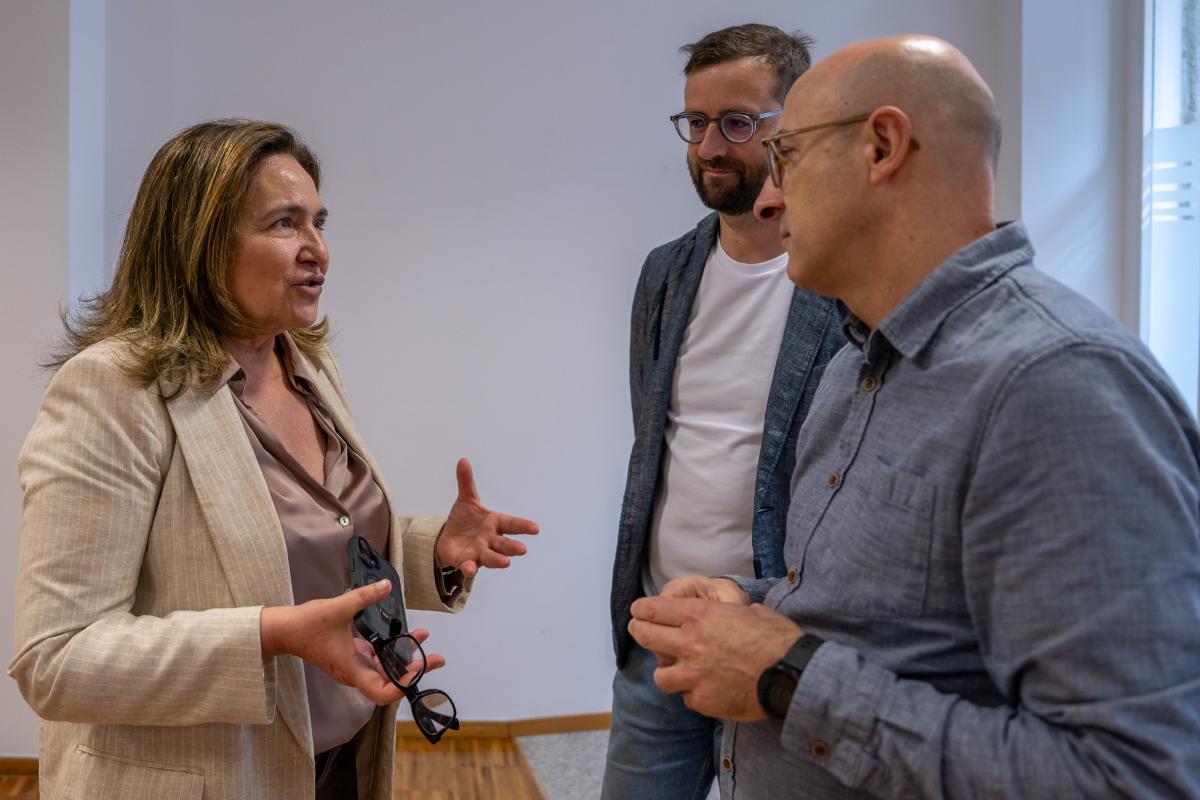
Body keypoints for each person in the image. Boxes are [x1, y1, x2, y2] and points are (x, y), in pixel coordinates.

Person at [629, 35, 1200, 798]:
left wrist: (784, 674)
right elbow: (872, 623)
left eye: (786, 155)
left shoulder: (1061, 387)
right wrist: (750, 607)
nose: (768, 199)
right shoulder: (854, 366)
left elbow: (1131, 776)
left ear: (883, 146)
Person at [8, 119, 539, 800]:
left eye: (319, 222)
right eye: (285, 223)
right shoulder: (112, 390)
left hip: (341, 762)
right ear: (199, 243)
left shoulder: (306, 363)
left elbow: (305, 542)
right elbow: (56, 659)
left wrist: (429, 549)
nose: (318, 249)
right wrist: (270, 635)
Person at [604, 23, 845, 800]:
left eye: (738, 122)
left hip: (778, 637)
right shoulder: (665, 273)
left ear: (792, 125)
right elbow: (653, 441)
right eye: (696, 122)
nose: (710, 146)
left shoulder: (839, 279)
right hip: (661, 625)